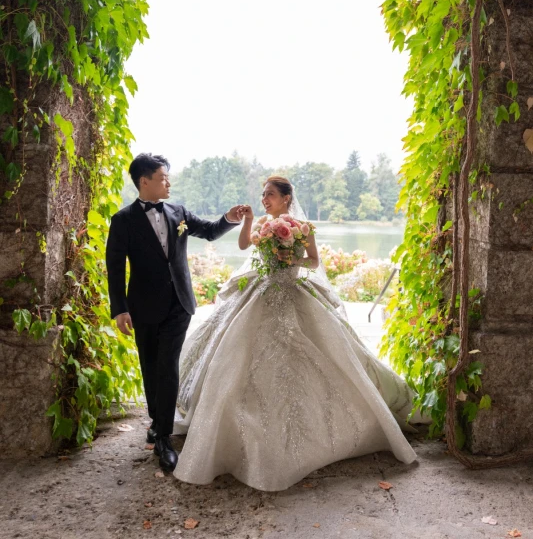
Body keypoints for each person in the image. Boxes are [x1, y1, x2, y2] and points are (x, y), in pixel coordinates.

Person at [172, 176, 419, 491]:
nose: (265, 199)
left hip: (294, 288)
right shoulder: (261, 222)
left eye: (271, 194)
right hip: (261, 291)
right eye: (263, 194)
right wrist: (248, 220)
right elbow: (244, 245)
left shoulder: (304, 227)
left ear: (286, 198)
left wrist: (294, 259)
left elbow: (314, 262)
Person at [105, 152, 245, 472]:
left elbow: (209, 231)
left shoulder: (179, 212)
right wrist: (120, 309)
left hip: (179, 304)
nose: (169, 182)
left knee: (167, 365)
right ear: (145, 181)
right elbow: (115, 270)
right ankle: (157, 420)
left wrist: (228, 218)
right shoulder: (123, 221)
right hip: (143, 306)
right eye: (163, 177)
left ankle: (164, 437)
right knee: (150, 366)